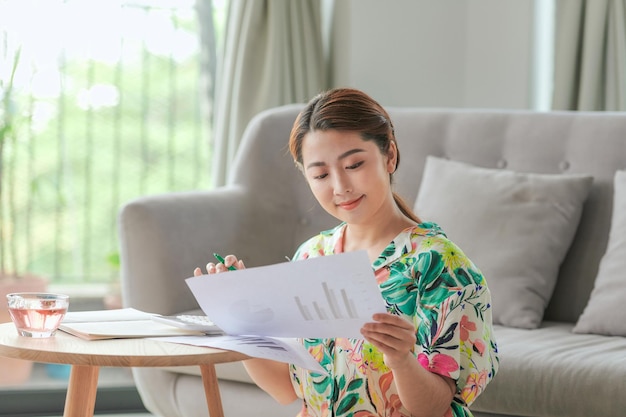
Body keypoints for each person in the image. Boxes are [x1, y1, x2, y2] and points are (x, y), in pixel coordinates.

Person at [194, 88, 499, 417]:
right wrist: (240, 320)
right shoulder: (311, 257)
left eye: (354, 164)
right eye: (321, 174)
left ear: (390, 156)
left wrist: (400, 359)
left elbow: (435, 408)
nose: (340, 187)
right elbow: (286, 389)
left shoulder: (440, 265)